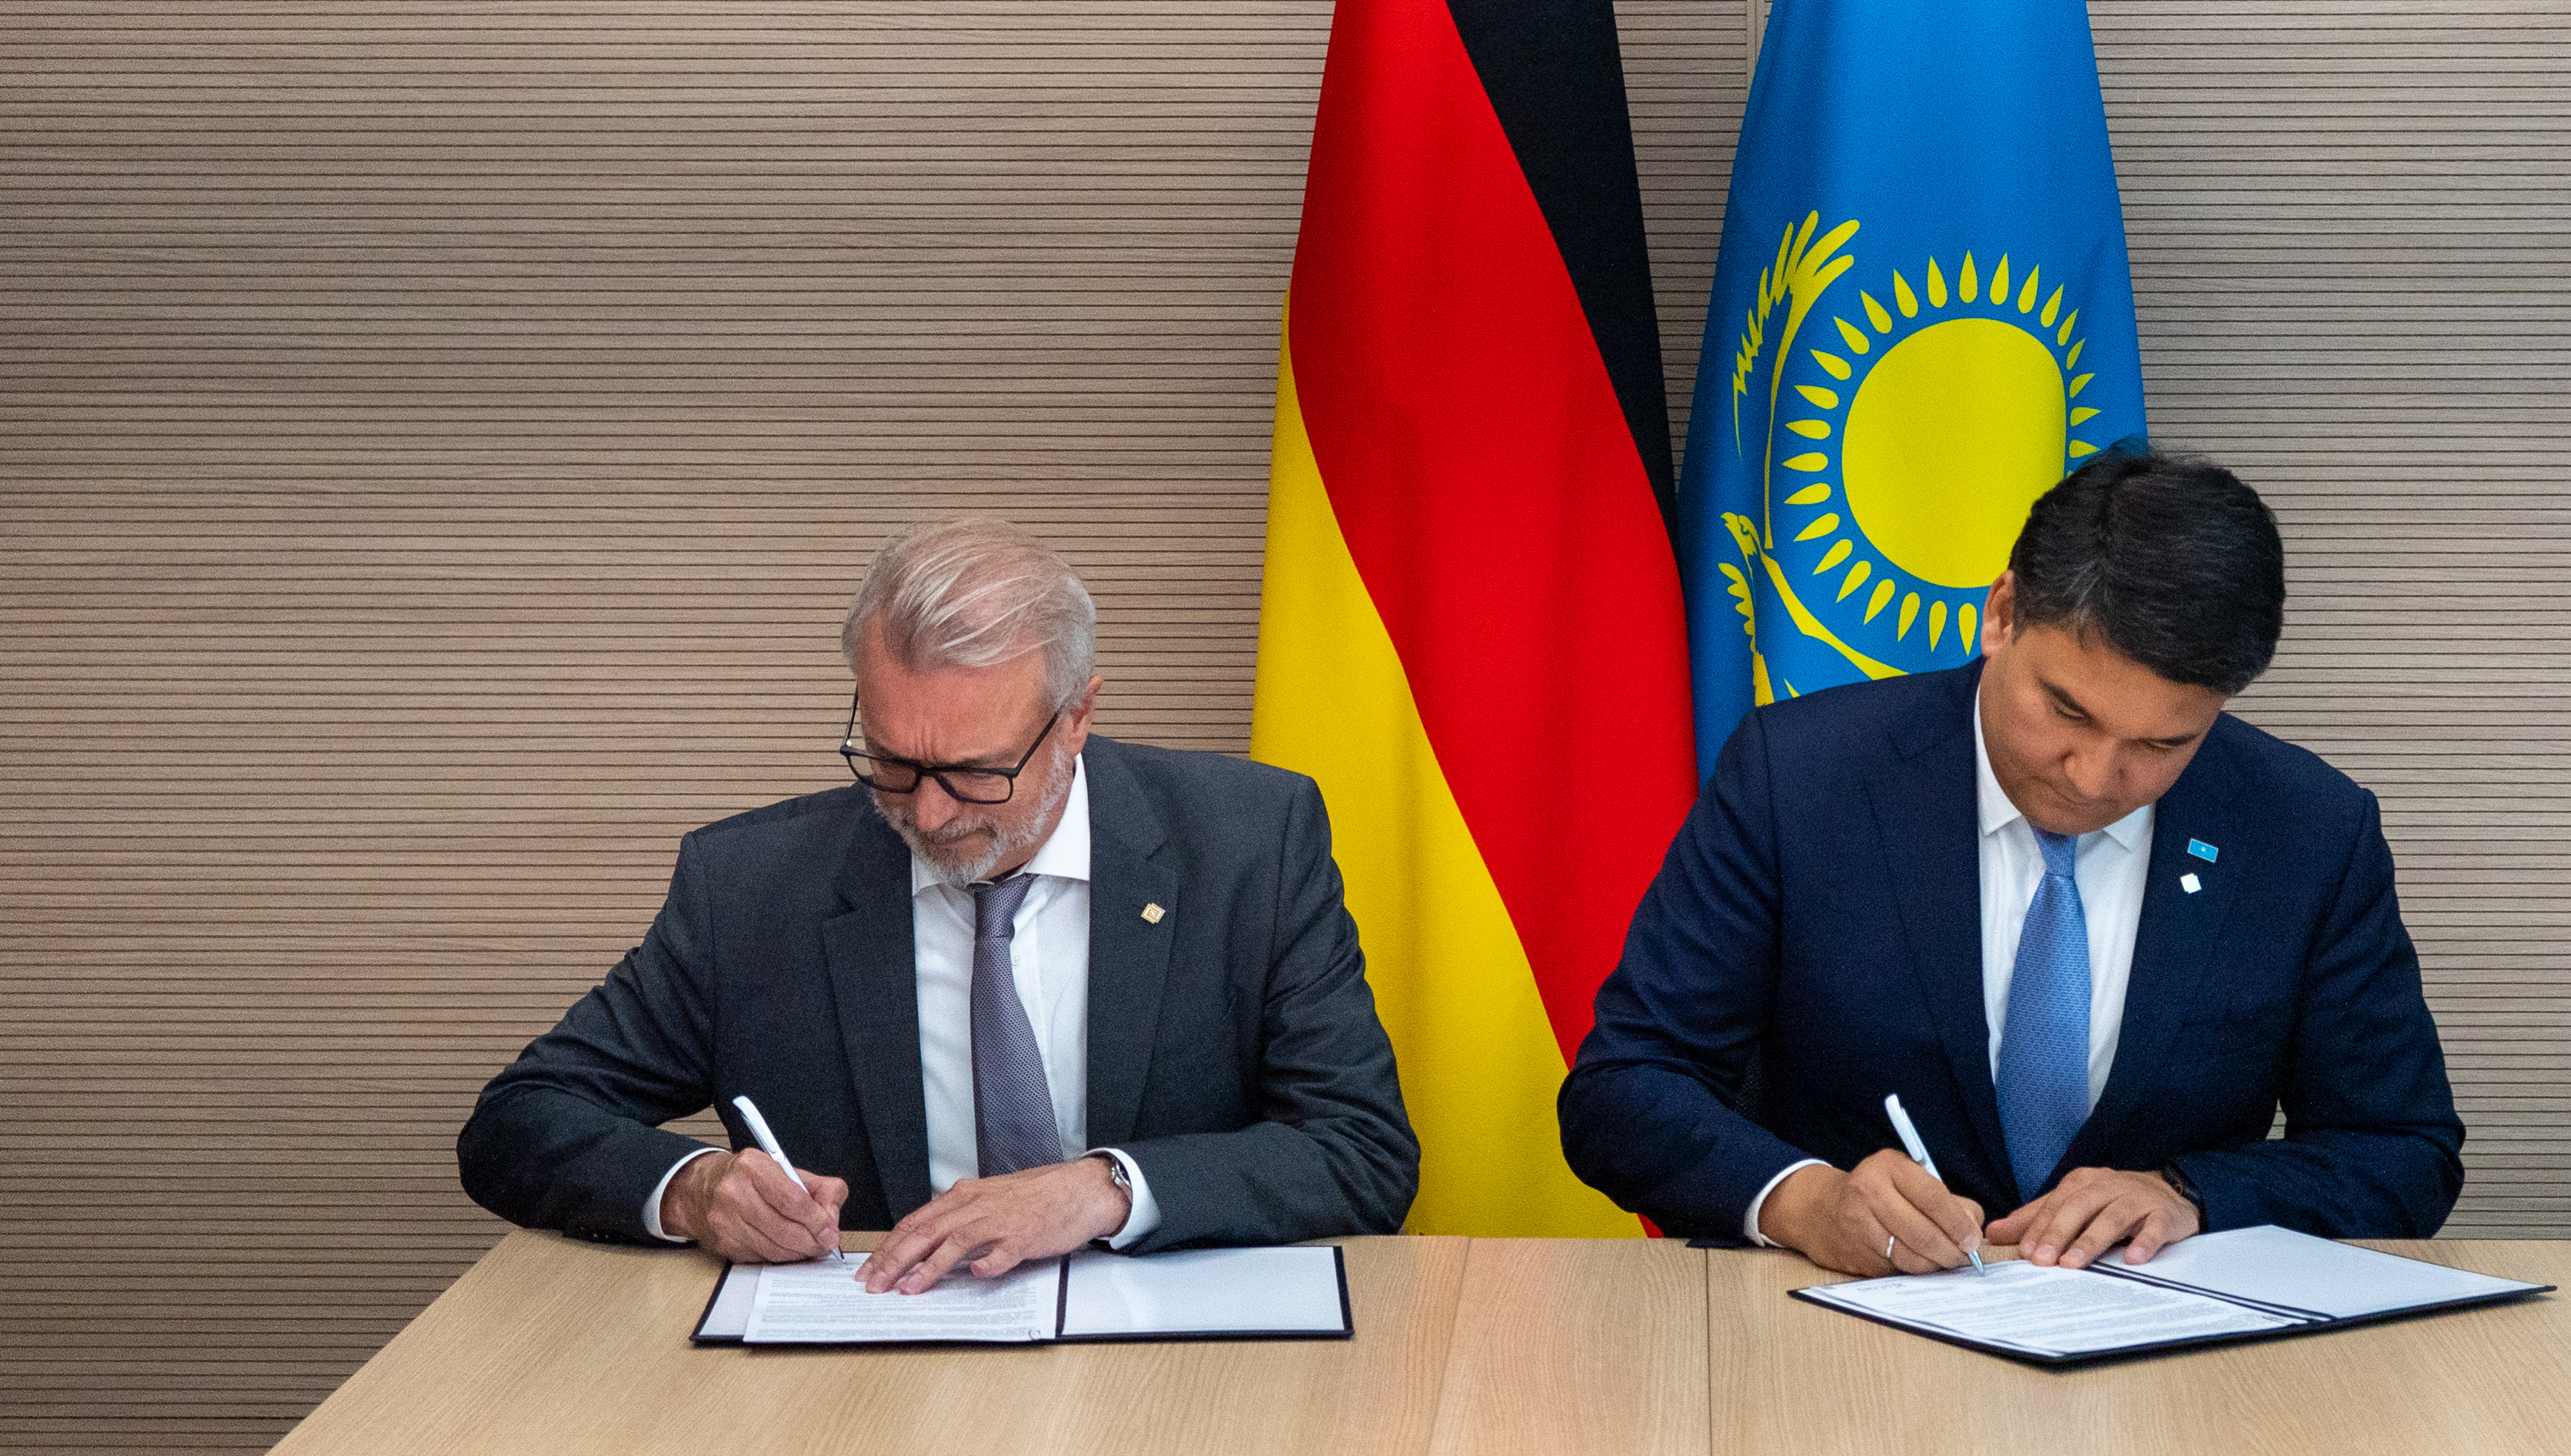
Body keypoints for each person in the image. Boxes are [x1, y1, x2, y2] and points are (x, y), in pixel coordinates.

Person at [1558, 449, 2462, 1279]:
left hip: (2164, 1354)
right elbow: (1623, 1086)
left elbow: (2404, 1148)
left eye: (2161, 743)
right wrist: (1805, 1201)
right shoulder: (1800, 775)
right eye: (2067, 710)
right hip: (1847, 1338)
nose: (2095, 776)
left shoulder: (2306, 828)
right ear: (2001, 613)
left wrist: (2195, 1194)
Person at [459, 517, 1418, 1293]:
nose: (926, 813)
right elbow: (520, 1119)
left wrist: (1107, 1189)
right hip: (871, 1369)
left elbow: (1363, 1151)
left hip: (1174, 1370)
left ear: (1077, 716)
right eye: (890, 761)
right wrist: (695, 1189)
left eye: (974, 770)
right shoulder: (751, 887)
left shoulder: (1249, 844)